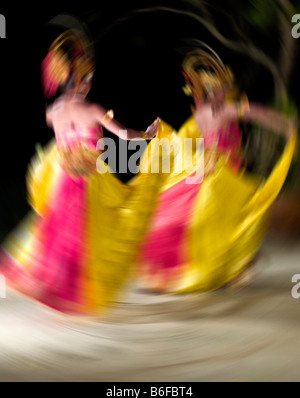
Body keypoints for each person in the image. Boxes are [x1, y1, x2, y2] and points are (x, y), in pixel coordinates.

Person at [0, 26, 161, 315]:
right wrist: (147, 134)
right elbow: (124, 135)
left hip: (63, 179)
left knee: (57, 234)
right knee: (97, 229)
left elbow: (58, 133)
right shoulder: (93, 109)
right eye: (86, 78)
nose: (89, 84)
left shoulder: (53, 112)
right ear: (77, 79)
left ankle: (57, 286)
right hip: (88, 180)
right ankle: (76, 292)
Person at [137, 45, 297, 293]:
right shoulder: (223, 110)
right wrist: (287, 126)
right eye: (212, 88)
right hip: (218, 167)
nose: (218, 92)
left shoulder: (203, 112)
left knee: (220, 215)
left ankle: (232, 265)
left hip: (211, 165)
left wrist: (285, 125)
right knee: (229, 212)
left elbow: (256, 115)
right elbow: (260, 115)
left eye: (218, 87)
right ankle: (228, 266)